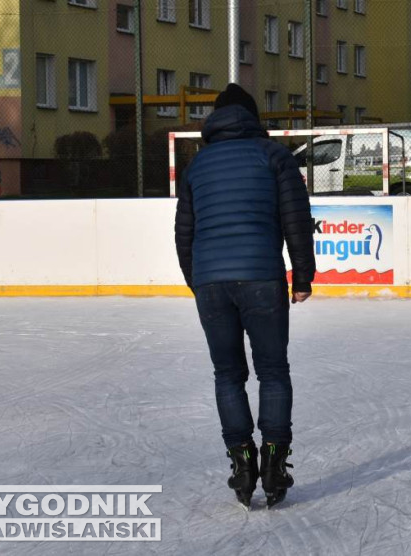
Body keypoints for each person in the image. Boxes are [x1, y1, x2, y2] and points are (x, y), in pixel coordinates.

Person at [174, 83, 316, 509]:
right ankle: (273, 462)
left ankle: (241, 463)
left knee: (227, 374)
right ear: (254, 117)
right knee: (272, 371)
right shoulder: (274, 156)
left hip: (211, 284)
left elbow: (185, 232)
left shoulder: (198, 165)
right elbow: (296, 217)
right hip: (261, 278)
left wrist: (197, 279)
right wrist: (303, 275)